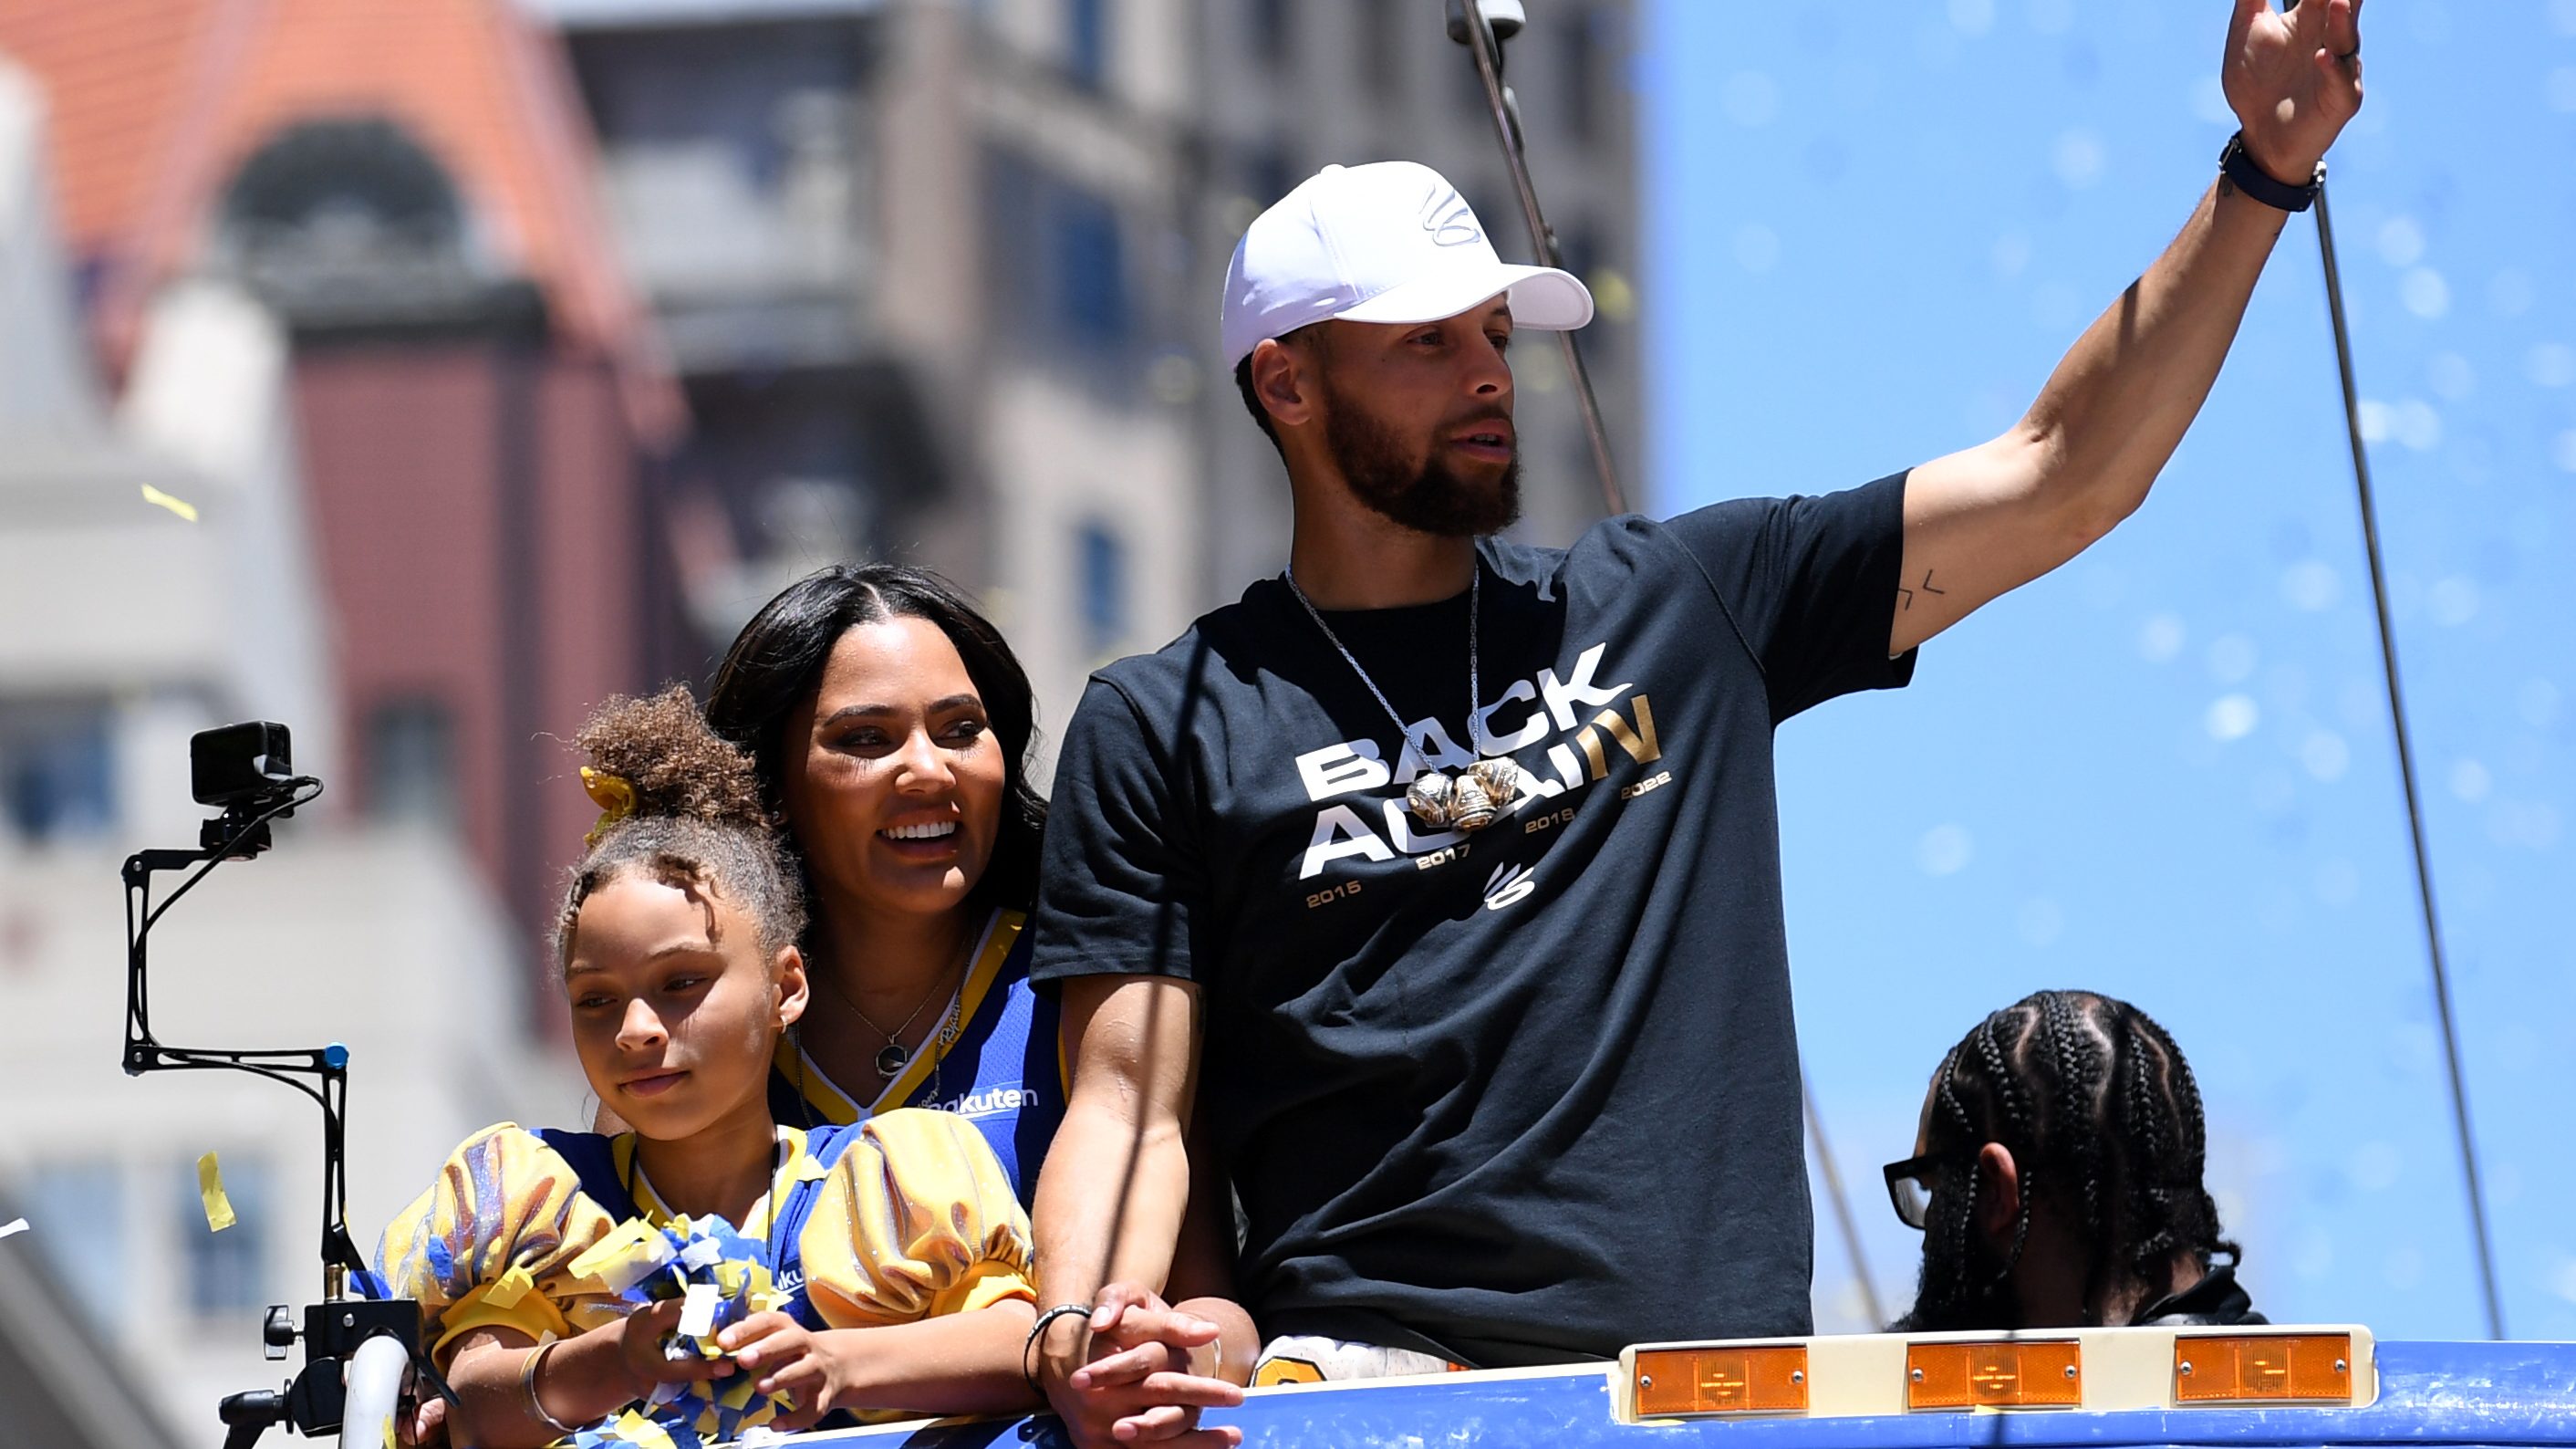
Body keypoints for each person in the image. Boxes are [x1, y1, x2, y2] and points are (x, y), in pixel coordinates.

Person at [1026, 0, 2360, 1428]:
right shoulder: (1164, 718)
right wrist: (1070, 1338)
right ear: (1286, 380)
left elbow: (2060, 475)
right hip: (1373, 1386)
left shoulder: (1684, 599)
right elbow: (1127, 1101)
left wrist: (2261, 177)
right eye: (1429, 345)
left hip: (1708, 1393)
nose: (1491, 373)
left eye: (1495, 331)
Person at [373, 686, 1042, 1444]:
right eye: (595, 999)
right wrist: (621, 1358)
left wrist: (836, 1364)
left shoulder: (898, 1181)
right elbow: (474, 1402)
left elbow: (1019, 1346)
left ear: (786, 987)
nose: (634, 1030)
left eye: (681, 983)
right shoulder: (538, 1199)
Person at [704, 564, 1063, 1198]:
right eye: (866, 738)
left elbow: (1199, 1290)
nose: (929, 771)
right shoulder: (702, 1014)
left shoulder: (1085, 983)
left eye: (960, 731)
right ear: (769, 785)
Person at [1885, 990, 2263, 1330]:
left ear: (1999, 1191)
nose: (1928, 1237)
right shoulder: (2290, 1391)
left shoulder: (1920, 1406)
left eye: (1935, 1191)